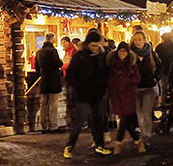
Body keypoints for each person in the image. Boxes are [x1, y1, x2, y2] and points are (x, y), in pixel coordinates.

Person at [63, 31, 111, 159]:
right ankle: (69, 146)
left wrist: (102, 88)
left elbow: (105, 74)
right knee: (80, 121)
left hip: (96, 94)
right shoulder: (80, 57)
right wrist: (78, 86)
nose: (95, 48)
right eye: (93, 45)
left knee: (97, 121)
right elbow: (71, 75)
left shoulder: (101, 56)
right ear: (88, 44)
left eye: (97, 45)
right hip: (83, 95)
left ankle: (100, 145)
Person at [107, 42, 144, 154]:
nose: (122, 53)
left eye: (125, 51)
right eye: (121, 50)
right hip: (116, 96)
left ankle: (118, 143)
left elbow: (138, 79)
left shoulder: (132, 65)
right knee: (126, 121)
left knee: (124, 120)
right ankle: (138, 141)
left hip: (128, 96)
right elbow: (108, 79)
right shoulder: (112, 65)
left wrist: (127, 82)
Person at [131, 30, 161, 145]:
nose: (137, 42)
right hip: (135, 88)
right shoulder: (131, 54)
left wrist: (155, 78)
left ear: (144, 40)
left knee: (146, 113)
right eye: (135, 40)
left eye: (140, 40)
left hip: (149, 87)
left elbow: (159, 66)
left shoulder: (151, 53)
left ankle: (146, 136)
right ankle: (143, 136)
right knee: (139, 114)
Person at [35, 33, 63, 133]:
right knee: (53, 104)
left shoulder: (39, 52)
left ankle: (44, 126)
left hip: (44, 80)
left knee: (43, 104)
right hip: (53, 80)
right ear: (53, 40)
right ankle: (53, 126)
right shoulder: (53, 51)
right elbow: (58, 64)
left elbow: (36, 68)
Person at [156, 32, 173, 98]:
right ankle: (172, 101)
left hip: (163, 70)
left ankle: (163, 102)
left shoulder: (159, 47)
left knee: (163, 87)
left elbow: (157, 60)